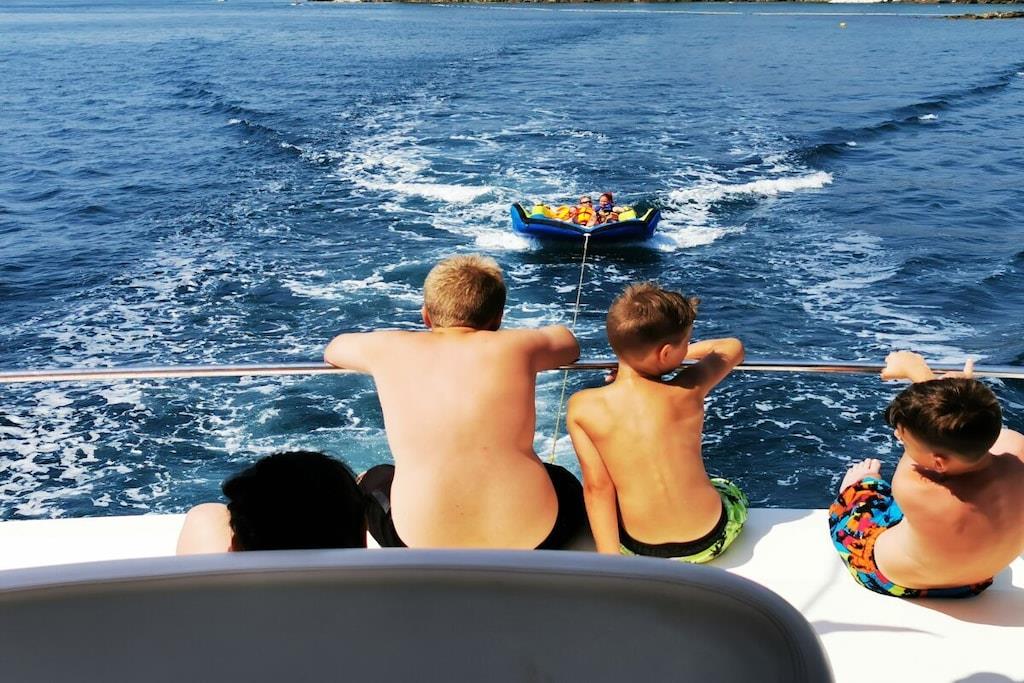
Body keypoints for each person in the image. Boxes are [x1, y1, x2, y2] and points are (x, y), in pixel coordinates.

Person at [324, 254, 585, 549]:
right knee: (561, 479)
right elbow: (568, 342)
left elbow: (334, 348)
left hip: (416, 538)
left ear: (426, 316)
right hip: (534, 533)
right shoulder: (520, 345)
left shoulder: (388, 346)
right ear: (498, 318)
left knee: (373, 478)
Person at [566, 282, 747, 561]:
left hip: (642, 550)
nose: (687, 349)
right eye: (685, 343)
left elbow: (597, 488)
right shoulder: (688, 389)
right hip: (708, 540)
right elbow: (732, 347)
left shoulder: (583, 407)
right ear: (666, 353)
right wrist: (682, 356)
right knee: (726, 487)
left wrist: (609, 562)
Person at [830, 351, 1024, 598]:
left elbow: (930, 436)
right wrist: (955, 396)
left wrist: (919, 372)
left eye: (904, 439)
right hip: (975, 581)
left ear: (938, 462)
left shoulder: (912, 486)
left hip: (899, 580)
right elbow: (958, 432)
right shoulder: (1017, 449)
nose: (897, 436)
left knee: (860, 496)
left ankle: (859, 488)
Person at [176, 450, 366, 554]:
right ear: (361, 540)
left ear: (235, 546)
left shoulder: (205, 607)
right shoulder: (379, 603)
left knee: (205, 514)